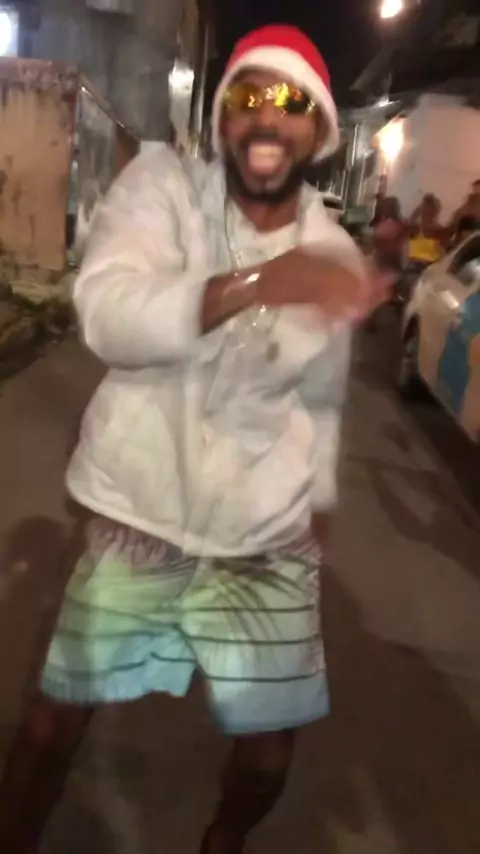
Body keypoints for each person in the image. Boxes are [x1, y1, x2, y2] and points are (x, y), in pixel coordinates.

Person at [0, 25, 389, 854]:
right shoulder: (162, 188)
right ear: (222, 116)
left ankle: (222, 842)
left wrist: (318, 504)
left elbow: (320, 402)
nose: (268, 116)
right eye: (249, 94)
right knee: (48, 729)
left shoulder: (332, 253)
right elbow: (107, 315)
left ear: (320, 129)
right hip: (141, 513)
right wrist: (255, 284)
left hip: (261, 531)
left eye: (291, 101)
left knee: (268, 755)